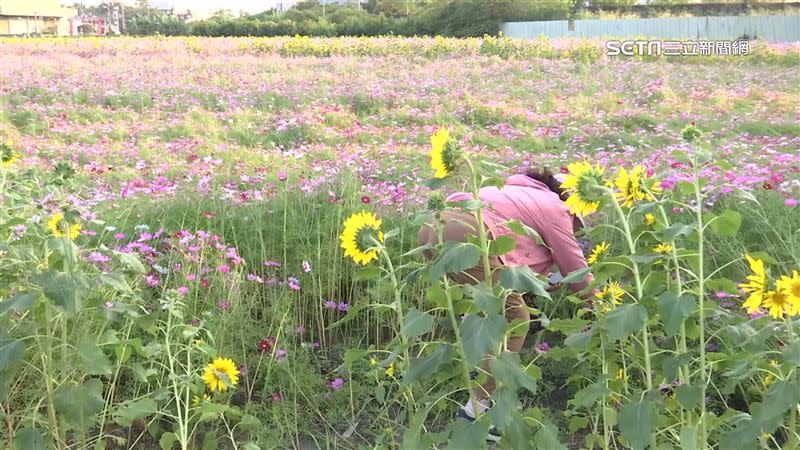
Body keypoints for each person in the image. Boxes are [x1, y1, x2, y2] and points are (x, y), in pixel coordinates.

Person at [417, 167, 595, 440]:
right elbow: (575, 267)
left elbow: (512, 260)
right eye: (577, 224)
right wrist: (601, 305)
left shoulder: (514, 192)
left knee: (486, 307)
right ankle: (478, 412)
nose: (575, 228)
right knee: (515, 319)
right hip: (472, 233)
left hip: (433, 226)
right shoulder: (556, 207)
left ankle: (475, 358)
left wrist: (541, 281)